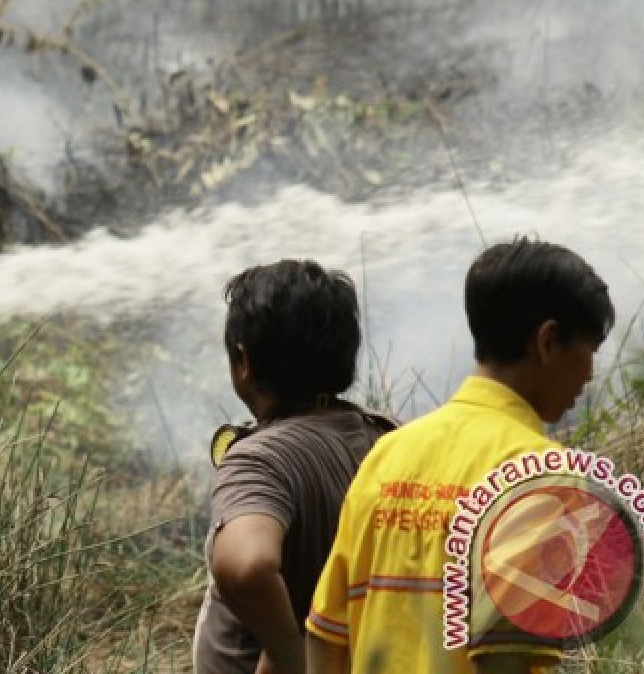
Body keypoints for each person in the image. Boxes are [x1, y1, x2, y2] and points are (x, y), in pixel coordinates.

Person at [306, 237, 615, 673]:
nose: (590, 374)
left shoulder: (389, 453)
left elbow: (325, 638)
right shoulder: (544, 475)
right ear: (547, 342)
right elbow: (506, 658)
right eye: (590, 350)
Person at [192, 260, 396, 674]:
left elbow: (246, 567)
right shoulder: (390, 437)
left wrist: (291, 656)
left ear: (243, 360)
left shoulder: (259, 460)